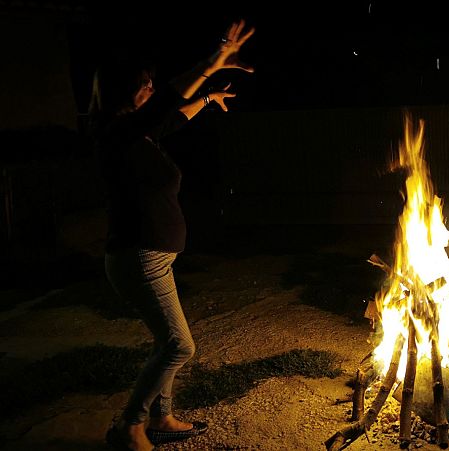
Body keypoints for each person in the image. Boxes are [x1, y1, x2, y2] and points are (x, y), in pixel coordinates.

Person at [88, 19, 255, 451]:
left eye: (149, 84)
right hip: (138, 256)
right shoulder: (118, 134)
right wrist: (210, 65)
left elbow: (173, 116)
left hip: (151, 256)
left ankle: (161, 417)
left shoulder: (137, 136)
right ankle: (131, 425)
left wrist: (207, 97)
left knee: (167, 341)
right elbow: (165, 104)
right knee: (180, 346)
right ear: (125, 92)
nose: (149, 88)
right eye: (142, 85)